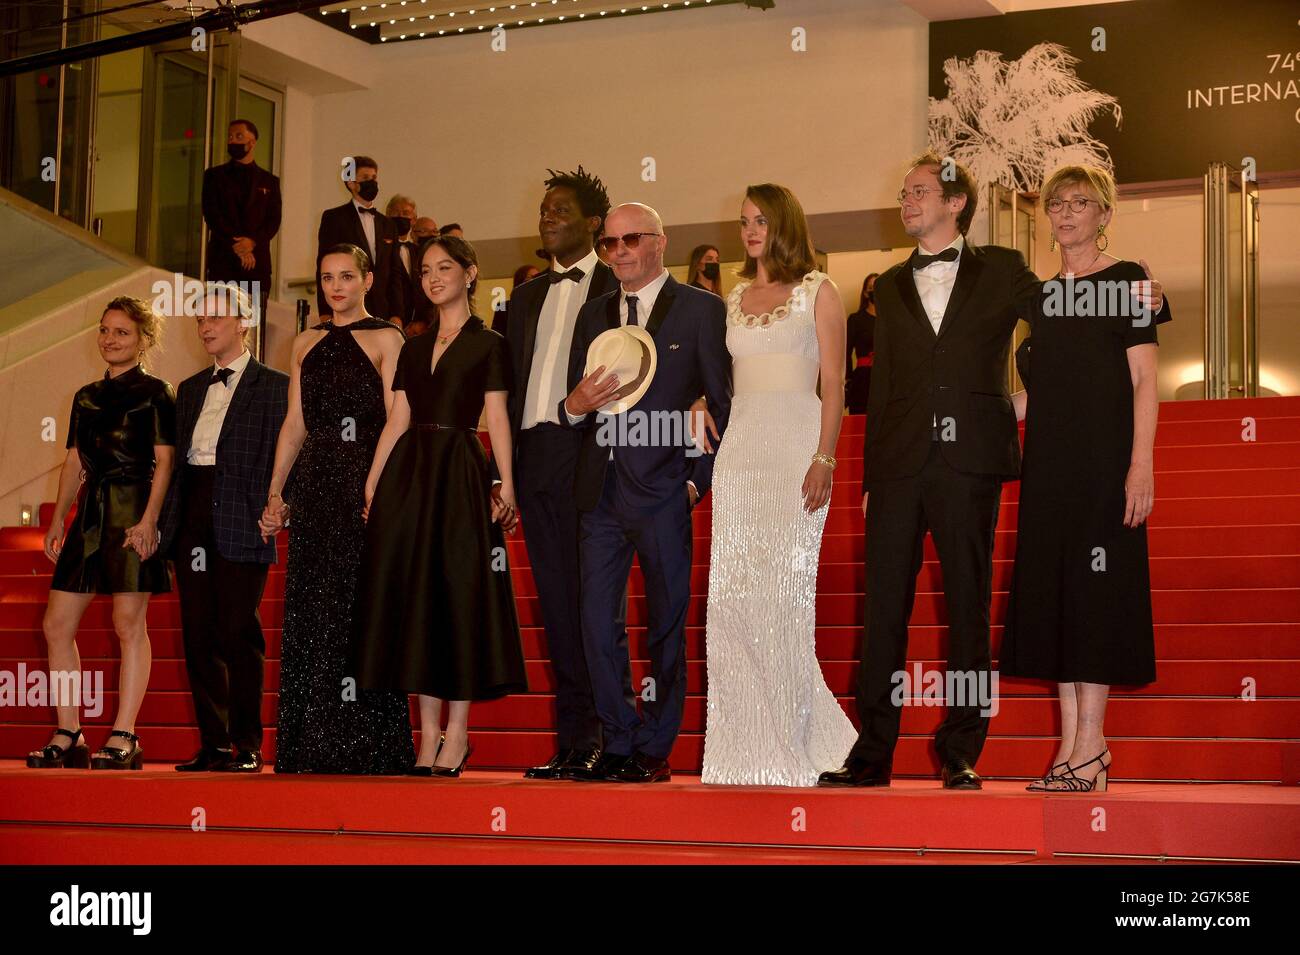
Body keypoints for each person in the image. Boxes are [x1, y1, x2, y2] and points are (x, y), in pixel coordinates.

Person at [819, 153, 1041, 791]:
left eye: (919, 192)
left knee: (969, 607)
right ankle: (872, 755)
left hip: (970, 461)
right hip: (898, 467)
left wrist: (1032, 393)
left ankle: (962, 750)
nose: (906, 201)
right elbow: (882, 383)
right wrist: (866, 481)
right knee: (883, 610)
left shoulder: (1001, 268)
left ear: (956, 203)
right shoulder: (887, 284)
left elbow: (1053, 320)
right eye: (904, 192)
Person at [1001, 165, 1169, 793]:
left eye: (1081, 203)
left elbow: (1145, 379)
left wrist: (1141, 464)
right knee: (1060, 601)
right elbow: (1040, 396)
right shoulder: (1044, 297)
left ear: (1104, 214)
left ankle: (1092, 745)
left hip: (1104, 466)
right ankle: (1071, 750)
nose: (1067, 213)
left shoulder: (1128, 283)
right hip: (1048, 470)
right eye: (1057, 203)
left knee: (1094, 600)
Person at [560, 202, 732, 783]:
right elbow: (575, 402)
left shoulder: (703, 311)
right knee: (594, 621)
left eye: (630, 239)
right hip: (599, 490)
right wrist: (572, 406)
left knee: (665, 622)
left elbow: (722, 407)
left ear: (660, 241)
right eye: (608, 244)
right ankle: (618, 737)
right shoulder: (592, 315)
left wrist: (692, 483)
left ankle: (655, 745)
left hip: (663, 491)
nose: (618, 252)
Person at [698, 184, 858, 786]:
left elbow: (835, 384)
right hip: (740, 454)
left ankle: (794, 742)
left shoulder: (821, 291)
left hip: (796, 451)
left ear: (785, 223)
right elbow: (720, 375)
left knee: (785, 602)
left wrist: (825, 457)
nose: (750, 230)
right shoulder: (733, 297)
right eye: (743, 221)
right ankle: (741, 750)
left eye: (760, 220)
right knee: (734, 602)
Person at [353, 236, 528, 776]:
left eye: (444, 268)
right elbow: (397, 419)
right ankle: (425, 738)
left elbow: (496, 417)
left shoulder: (489, 343)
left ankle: (458, 734)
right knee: (419, 605)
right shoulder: (411, 345)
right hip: (410, 476)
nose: (432, 278)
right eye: (425, 270)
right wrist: (373, 482)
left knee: (457, 599)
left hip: (458, 472)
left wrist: (507, 483)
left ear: (470, 274)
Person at [260, 244, 414, 774]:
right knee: (312, 607)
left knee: (359, 605)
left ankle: (368, 742)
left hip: (366, 479)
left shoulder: (388, 338)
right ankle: (311, 742)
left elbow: (400, 417)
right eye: (327, 278)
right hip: (317, 483)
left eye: (346, 276)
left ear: (367, 279)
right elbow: (295, 424)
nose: (336, 286)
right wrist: (277, 492)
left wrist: (375, 483)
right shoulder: (304, 342)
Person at [501, 166, 621, 781]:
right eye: (544, 209)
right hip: (534, 458)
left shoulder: (615, 291)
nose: (547, 217)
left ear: (593, 223)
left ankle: (607, 734)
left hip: (592, 459)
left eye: (562, 210)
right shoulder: (522, 299)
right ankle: (572, 739)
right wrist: (506, 476)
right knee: (555, 603)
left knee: (592, 603)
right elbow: (508, 390)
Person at [29, 297, 175, 771]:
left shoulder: (157, 393)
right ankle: (69, 730)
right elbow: (75, 460)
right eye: (105, 330)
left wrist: (151, 520)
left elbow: (166, 462)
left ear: (143, 340)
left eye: (122, 333)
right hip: (90, 514)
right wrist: (57, 520)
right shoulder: (85, 396)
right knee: (57, 625)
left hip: (134, 508)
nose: (111, 339)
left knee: (129, 624)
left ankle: (125, 733)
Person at [159, 283, 289, 773]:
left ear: (243, 322)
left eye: (215, 318)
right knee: (198, 634)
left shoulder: (276, 386)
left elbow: (291, 454)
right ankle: (213, 745)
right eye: (199, 320)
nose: (206, 327)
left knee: (239, 630)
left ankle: (247, 744)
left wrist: (281, 505)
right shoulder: (190, 389)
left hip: (243, 513)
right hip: (194, 510)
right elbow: (174, 466)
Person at [202, 118, 281, 324]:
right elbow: (212, 214)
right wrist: (237, 245)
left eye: (238, 136)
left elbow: (273, 220)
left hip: (257, 264)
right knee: (219, 320)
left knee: (253, 323)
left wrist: (251, 243)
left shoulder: (270, 181)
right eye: (230, 137)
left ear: (252, 142)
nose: (232, 141)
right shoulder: (214, 176)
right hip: (223, 261)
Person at [315, 156, 404, 324]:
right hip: (347, 309)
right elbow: (323, 265)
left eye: (374, 178)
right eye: (365, 178)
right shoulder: (334, 218)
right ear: (351, 183)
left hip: (383, 310)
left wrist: (397, 313)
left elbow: (395, 272)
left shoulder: (388, 224)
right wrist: (325, 312)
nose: (372, 182)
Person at [845, 273, 878, 414]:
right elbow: (845, 351)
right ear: (865, 293)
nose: (874, 291)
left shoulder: (890, 320)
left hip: (886, 379)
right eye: (871, 288)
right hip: (862, 380)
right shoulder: (855, 319)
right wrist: (848, 379)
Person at [386, 193, 420, 327]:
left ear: (414, 219)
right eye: (395, 212)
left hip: (416, 324)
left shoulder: (419, 251)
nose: (400, 217)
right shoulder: (380, 249)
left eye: (405, 213)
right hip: (388, 320)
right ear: (387, 216)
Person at [492, 263, 541, 335]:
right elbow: (497, 335)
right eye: (530, 279)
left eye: (538, 278)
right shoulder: (502, 306)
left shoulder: (543, 305)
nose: (535, 283)